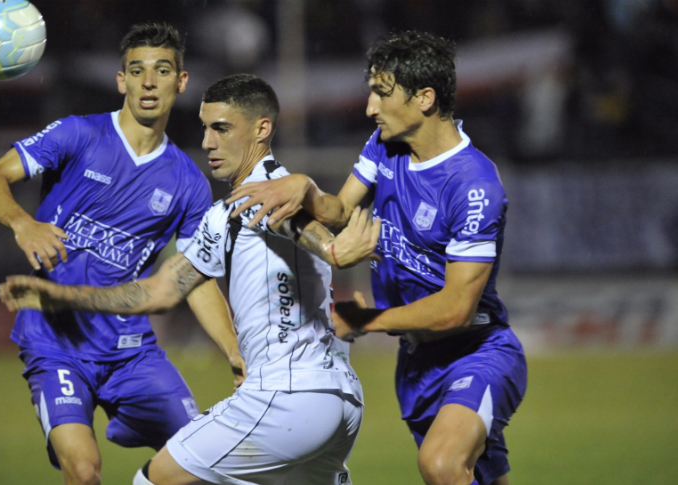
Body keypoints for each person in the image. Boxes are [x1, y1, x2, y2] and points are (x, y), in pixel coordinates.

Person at [0, 74, 380, 485]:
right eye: (205, 127)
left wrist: (332, 249)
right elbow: (161, 289)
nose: (207, 142)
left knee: (153, 480)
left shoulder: (264, 195)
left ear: (261, 129)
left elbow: (296, 226)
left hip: (286, 397)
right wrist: (62, 297)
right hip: (340, 400)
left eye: (222, 128)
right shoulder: (232, 209)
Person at [226, 31, 528, 485]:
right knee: (471, 475)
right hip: (417, 364)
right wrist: (305, 188)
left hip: (477, 355)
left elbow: (457, 308)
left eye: (381, 93)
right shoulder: (385, 145)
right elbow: (340, 212)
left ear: (424, 98)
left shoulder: (474, 185)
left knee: (441, 465)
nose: (369, 106)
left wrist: (366, 321)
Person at [0, 23, 243, 485]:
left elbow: (193, 278)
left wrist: (236, 354)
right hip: (55, 341)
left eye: (161, 70)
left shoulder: (188, 184)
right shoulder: (79, 136)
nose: (148, 81)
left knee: (204, 463)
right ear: (122, 80)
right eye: (136, 70)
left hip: (130, 351)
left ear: (181, 82)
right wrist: (25, 224)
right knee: (83, 471)